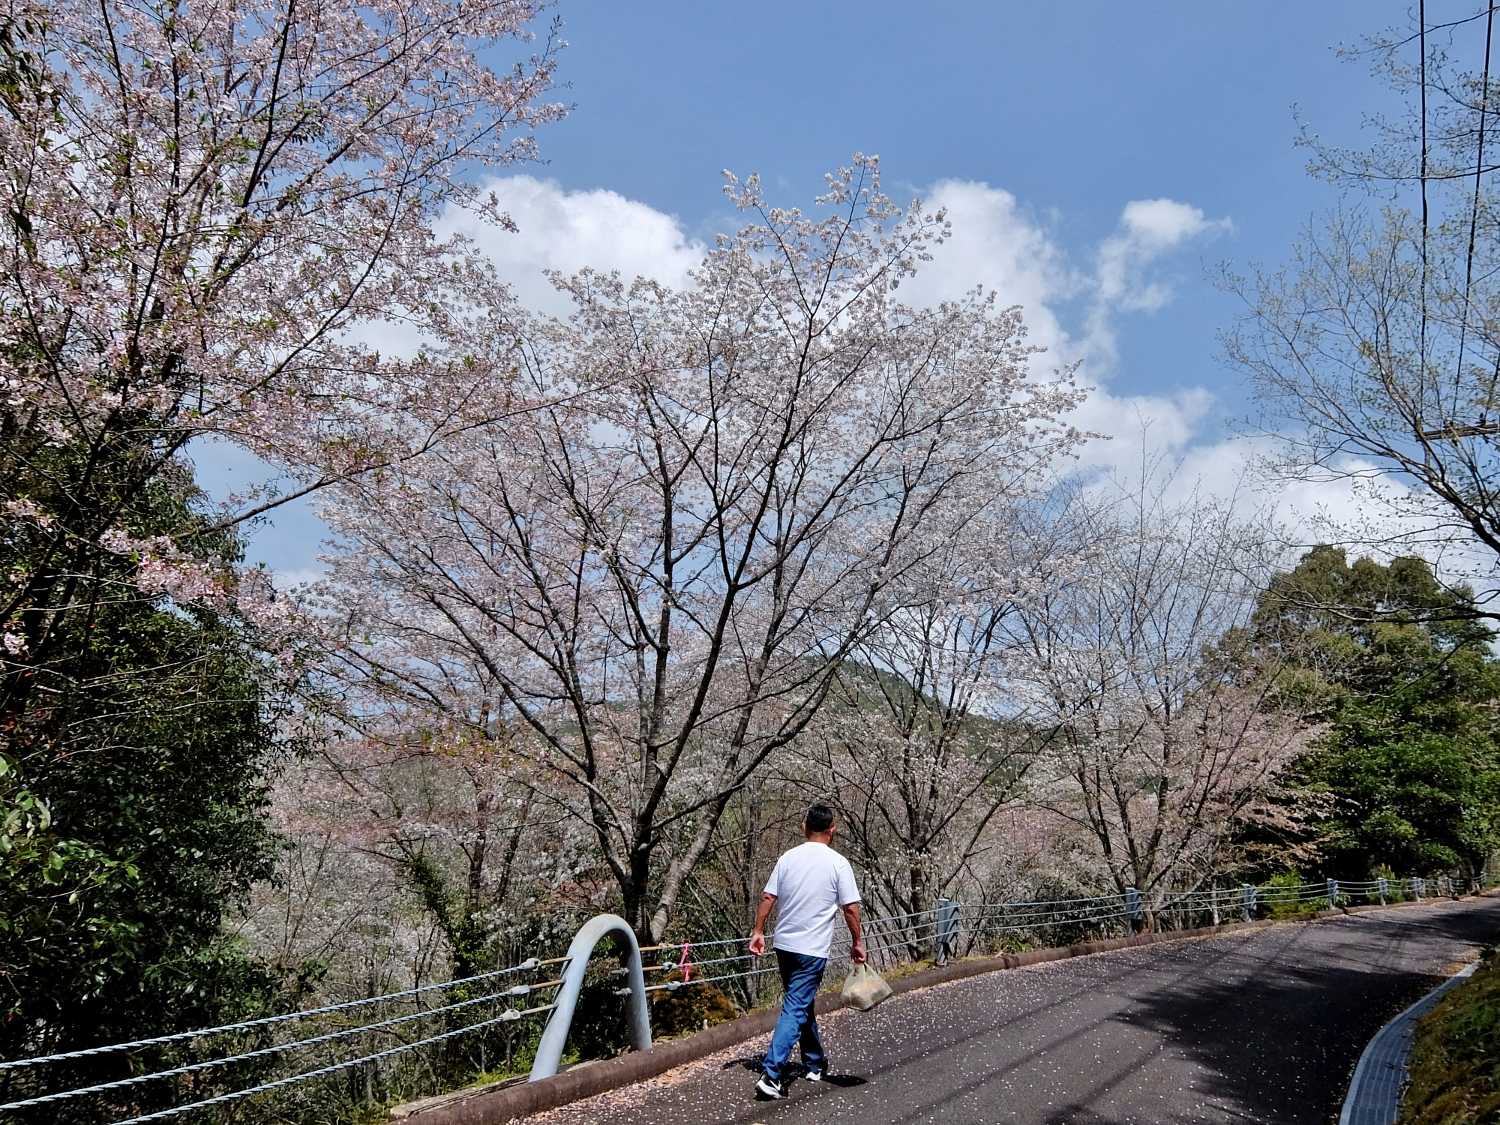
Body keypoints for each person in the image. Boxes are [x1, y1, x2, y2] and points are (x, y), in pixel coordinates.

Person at [747, 803, 865, 1100]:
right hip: (812, 949)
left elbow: (768, 895)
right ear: (832, 829)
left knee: (801, 1002)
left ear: (804, 827)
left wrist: (758, 931)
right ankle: (771, 1075)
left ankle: (814, 1063)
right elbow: (850, 908)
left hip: (784, 944)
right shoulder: (838, 863)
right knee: (796, 1007)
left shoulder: (788, 858)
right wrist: (857, 941)